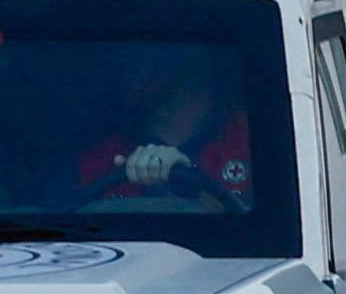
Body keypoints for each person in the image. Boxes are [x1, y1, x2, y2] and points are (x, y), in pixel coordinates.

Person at [72, 45, 254, 212]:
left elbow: (267, 228)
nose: (126, 68)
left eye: (144, 55)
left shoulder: (253, 138)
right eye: (126, 59)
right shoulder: (96, 161)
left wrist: (193, 183)